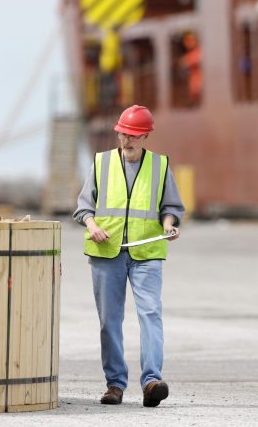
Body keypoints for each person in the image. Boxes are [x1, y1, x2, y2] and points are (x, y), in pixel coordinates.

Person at [73, 104, 185, 407]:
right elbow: (84, 207)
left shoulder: (160, 166)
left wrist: (169, 226)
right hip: (106, 252)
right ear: (118, 133)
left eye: (134, 136)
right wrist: (93, 226)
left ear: (146, 136)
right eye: (123, 134)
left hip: (147, 251)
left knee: (150, 314)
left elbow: (171, 207)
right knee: (109, 320)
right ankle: (115, 385)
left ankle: (152, 381)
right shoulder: (101, 163)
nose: (128, 141)